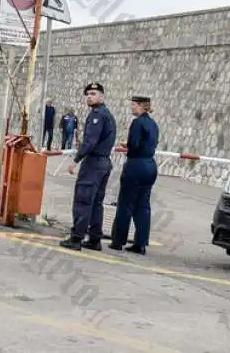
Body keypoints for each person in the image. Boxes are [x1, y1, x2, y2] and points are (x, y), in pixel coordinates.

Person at [59, 83, 117, 251]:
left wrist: (75, 160)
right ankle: (94, 238)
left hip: (93, 163)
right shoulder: (108, 115)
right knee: (96, 203)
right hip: (104, 163)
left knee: (83, 201)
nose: (89, 96)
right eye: (88, 94)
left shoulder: (96, 115)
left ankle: (76, 238)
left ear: (101, 96)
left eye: (93, 93)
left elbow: (90, 142)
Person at [109, 96, 160, 255]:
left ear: (141, 106)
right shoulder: (153, 124)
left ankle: (118, 240)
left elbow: (135, 144)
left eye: (133, 105)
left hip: (136, 164)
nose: (131, 108)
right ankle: (141, 243)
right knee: (143, 205)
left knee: (125, 204)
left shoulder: (137, 123)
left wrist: (128, 146)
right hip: (150, 165)